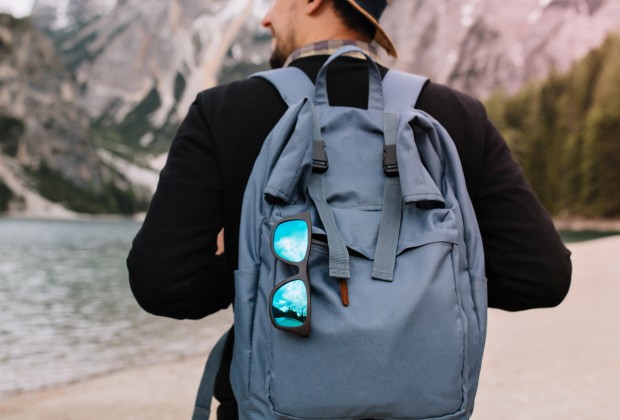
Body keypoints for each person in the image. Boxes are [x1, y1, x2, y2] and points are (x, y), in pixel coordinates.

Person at [127, 0, 572, 418]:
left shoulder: (224, 111)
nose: (266, 19)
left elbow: (162, 282)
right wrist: (426, 281)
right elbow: (541, 277)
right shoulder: (456, 116)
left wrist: (251, 272)